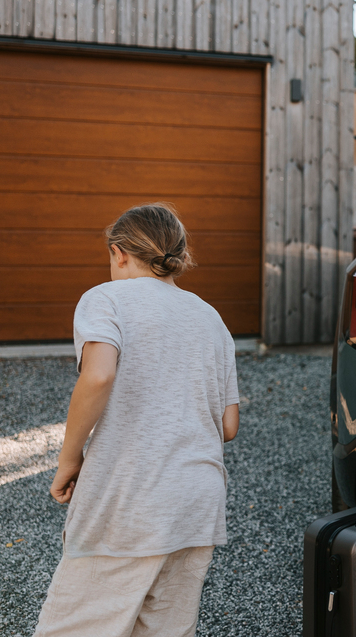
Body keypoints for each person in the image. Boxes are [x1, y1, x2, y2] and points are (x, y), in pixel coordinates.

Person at [34, 203, 240, 637]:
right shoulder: (210, 317)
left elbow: (99, 376)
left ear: (119, 252)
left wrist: (69, 459)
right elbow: (228, 426)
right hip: (196, 501)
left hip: (128, 497)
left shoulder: (105, 299)